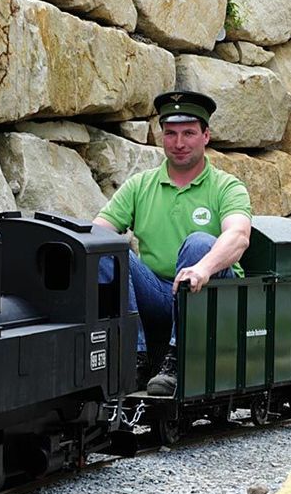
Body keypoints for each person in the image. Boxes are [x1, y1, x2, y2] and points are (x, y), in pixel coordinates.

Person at [94, 91, 252, 396]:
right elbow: (98, 231)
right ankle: (134, 357)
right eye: (171, 134)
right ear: (161, 137)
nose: (179, 143)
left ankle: (177, 361)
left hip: (215, 296)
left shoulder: (226, 186)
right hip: (160, 292)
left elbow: (238, 236)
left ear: (206, 136)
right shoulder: (141, 185)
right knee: (105, 250)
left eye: (189, 133)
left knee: (198, 243)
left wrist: (202, 269)